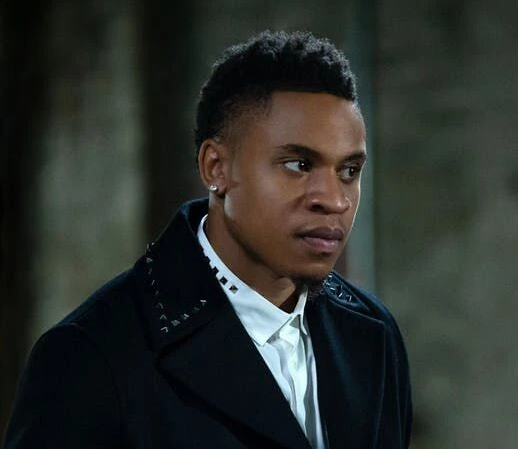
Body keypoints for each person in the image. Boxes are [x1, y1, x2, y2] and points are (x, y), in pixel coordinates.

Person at [3, 30, 412, 449]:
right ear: (216, 168)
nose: (335, 200)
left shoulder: (373, 334)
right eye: (298, 164)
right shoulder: (91, 356)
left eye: (348, 171)